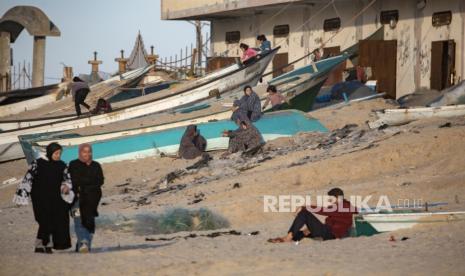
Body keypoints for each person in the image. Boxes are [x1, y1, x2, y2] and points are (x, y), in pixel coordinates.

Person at [13, 143, 74, 253]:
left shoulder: (62, 165)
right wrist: (22, 196)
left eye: (60, 153)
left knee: (57, 221)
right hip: (41, 198)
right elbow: (28, 179)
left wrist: (67, 187)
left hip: (56, 198)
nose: (58, 155)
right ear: (50, 152)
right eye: (56, 153)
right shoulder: (38, 163)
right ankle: (40, 244)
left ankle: (48, 245)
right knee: (45, 221)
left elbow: (67, 179)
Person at [268, 188, 357, 243]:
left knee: (305, 213)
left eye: (331, 198)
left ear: (338, 197)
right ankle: (288, 238)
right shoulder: (345, 206)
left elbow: (322, 210)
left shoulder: (343, 206)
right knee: (301, 233)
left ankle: (288, 238)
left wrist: (304, 207)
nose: (329, 200)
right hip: (328, 232)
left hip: (330, 234)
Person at [68, 143, 104, 253]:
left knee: (89, 222)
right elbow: (74, 180)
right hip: (76, 199)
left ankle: (82, 245)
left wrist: (86, 183)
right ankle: (84, 242)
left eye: (89, 151)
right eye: (84, 152)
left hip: (92, 200)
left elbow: (100, 181)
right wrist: (87, 183)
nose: (87, 154)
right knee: (78, 221)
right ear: (80, 153)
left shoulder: (96, 165)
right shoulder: (73, 164)